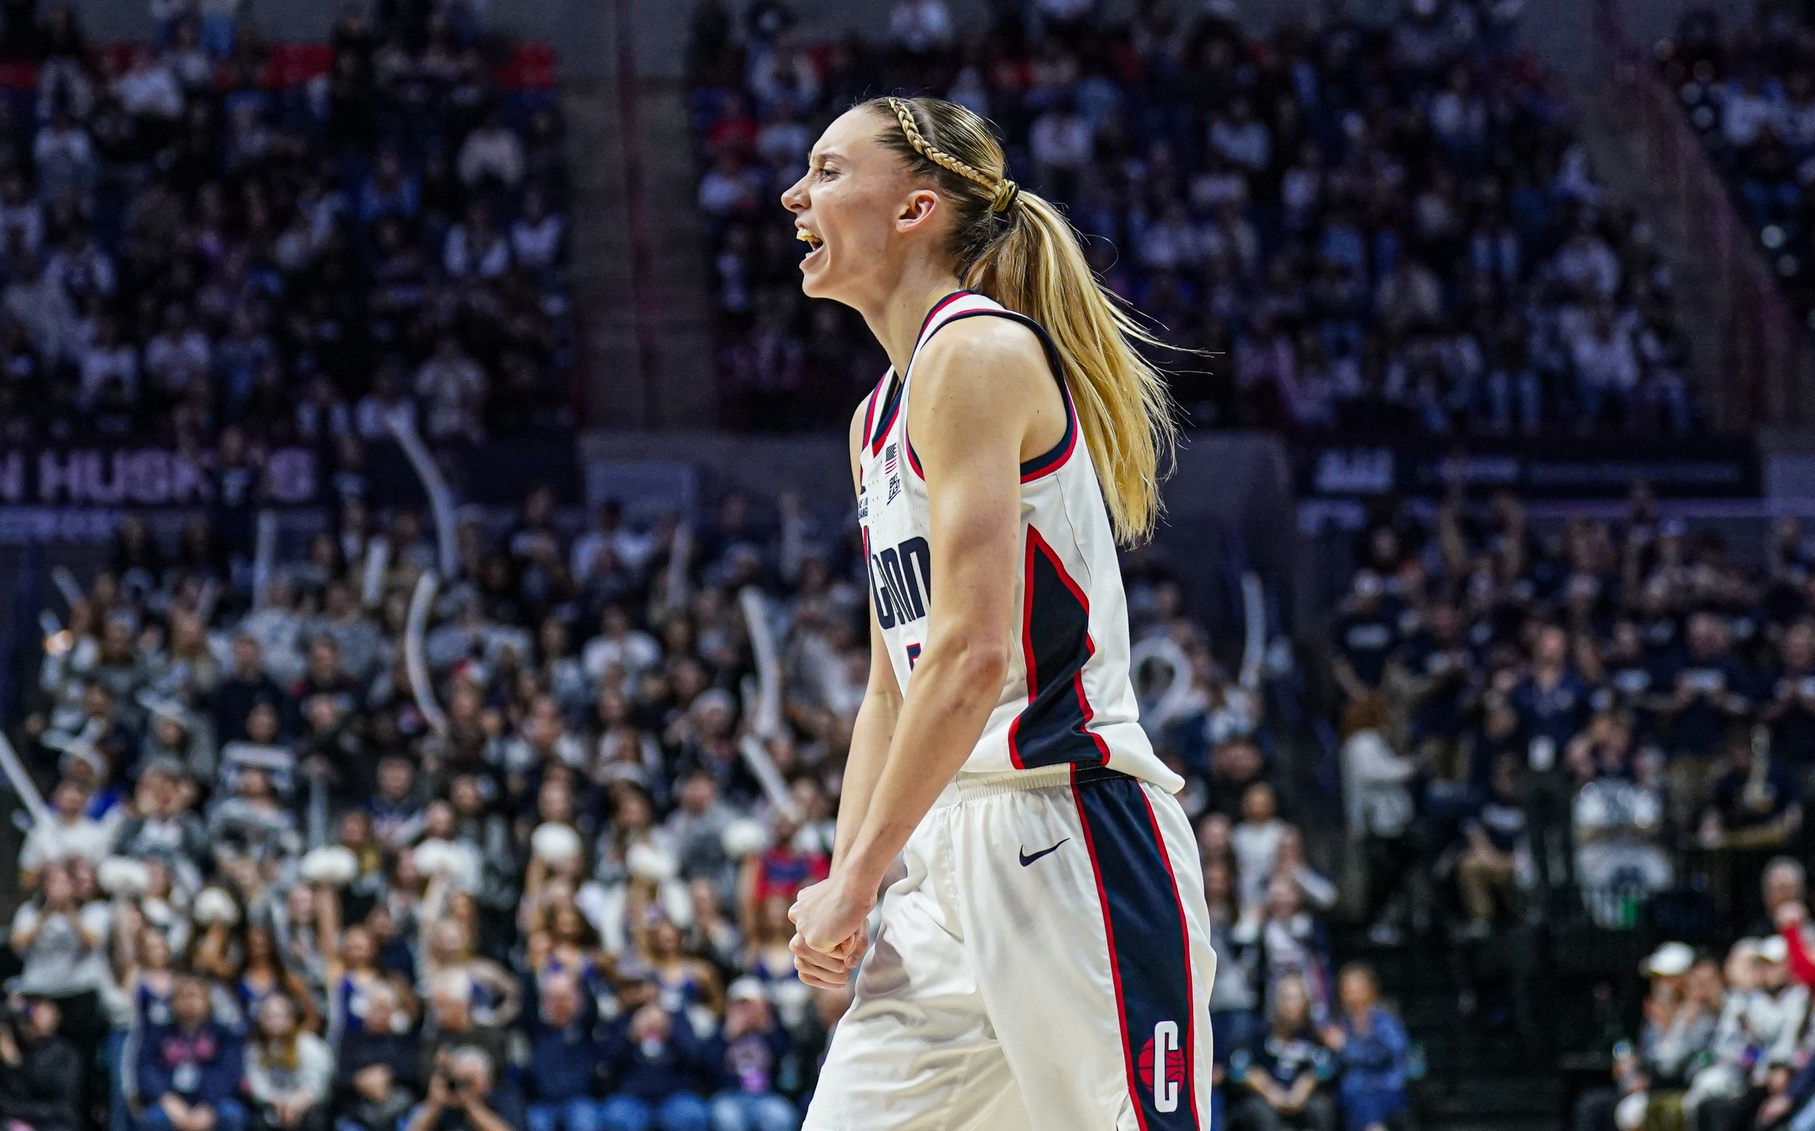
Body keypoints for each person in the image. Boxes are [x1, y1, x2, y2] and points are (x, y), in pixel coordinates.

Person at [779, 94, 1215, 1130]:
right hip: (943, 856)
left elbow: (972, 659)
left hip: (1070, 832)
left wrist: (854, 881)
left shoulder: (976, 354)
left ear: (916, 206)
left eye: (831, 170)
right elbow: (894, 682)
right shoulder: (875, 417)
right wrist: (853, 882)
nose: (796, 194)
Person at [135, 975, 247, 1131]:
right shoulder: (158, 1034)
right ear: (172, 1002)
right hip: (171, 1101)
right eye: (182, 997)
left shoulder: (222, 1034)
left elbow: (230, 1071)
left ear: (207, 1002)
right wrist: (167, 1100)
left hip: (212, 1102)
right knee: (152, 1120)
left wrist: (209, 1106)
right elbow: (146, 1067)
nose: (188, 1002)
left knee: (232, 1115)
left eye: (194, 996)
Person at [1229, 975, 1336, 1131]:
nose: (1291, 1006)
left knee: (1322, 1107)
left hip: (1302, 1100)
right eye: (1286, 998)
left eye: (1297, 998)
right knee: (1256, 1109)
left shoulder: (1314, 1037)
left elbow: (1324, 1069)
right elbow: (1238, 1070)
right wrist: (1269, 1091)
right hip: (1267, 1099)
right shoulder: (1257, 1035)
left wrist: (1302, 1089)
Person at [1321, 965, 1409, 1131]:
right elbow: (1335, 1064)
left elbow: (1392, 1052)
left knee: (1365, 1101)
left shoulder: (1385, 1020)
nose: (1352, 996)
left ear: (1371, 990)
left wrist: (1345, 1046)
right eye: (1347, 991)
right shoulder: (1342, 1022)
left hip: (1386, 1086)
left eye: (1357, 990)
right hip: (1354, 1090)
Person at [0, 994, 82, 1131]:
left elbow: (60, 1107)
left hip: (54, 1124)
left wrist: (15, 1064)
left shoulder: (64, 1053)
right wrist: (10, 1062)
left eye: (38, 1008)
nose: (29, 1017)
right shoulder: (15, 1049)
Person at [401, 1046, 525, 1131]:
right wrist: (434, 1104)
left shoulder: (504, 1098)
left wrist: (472, 1107)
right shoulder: (446, 1104)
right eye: (459, 1079)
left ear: (486, 1081)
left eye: (470, 1080)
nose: (463, 1086)